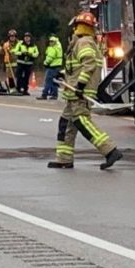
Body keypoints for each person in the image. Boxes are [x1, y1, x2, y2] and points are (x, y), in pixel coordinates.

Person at [48, 11, 123, 171]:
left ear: (78, 26)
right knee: (66, 124)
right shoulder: (83, 42)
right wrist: (64, 74)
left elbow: (88, 64)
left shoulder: (84, 43)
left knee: (82, 121)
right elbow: (78, 66)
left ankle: (110, 150)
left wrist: (80, 86)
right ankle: (64, 159)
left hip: (79, 92)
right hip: (73, 92)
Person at [37, 34, 63, 100]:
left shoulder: (52, 48)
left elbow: (50, 58)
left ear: (54, 42)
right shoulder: (59, 47)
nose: (50, 43)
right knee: (54, 81)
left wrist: (45, 63)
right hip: (58, 66)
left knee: (48, 81)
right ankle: (55, 95)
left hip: (52, 66)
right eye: (50, 41)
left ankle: (44, 94)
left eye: (52, 41)